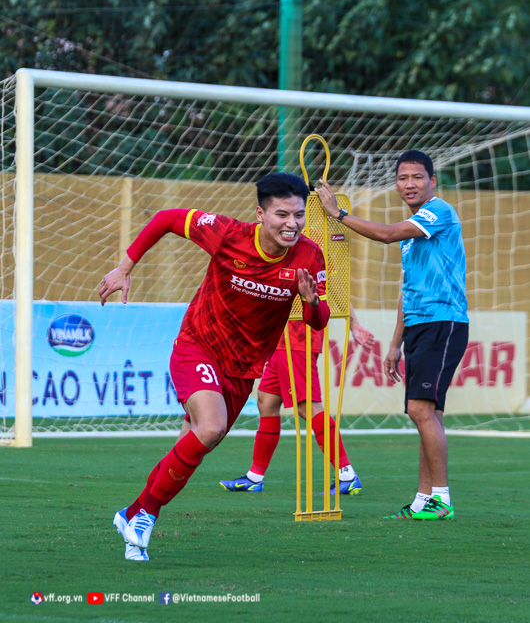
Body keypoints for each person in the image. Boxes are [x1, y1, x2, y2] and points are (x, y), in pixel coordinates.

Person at [99, 172, 330, 560]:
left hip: (244, 368)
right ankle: (147, 515)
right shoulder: (227, 234)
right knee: (211, 426)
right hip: (198, 345)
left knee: (195, 441)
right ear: (260, 214)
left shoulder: (309, 256)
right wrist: (125, 266)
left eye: (298, 215)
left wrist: (310, 301)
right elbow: (167, 218)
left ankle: (133, 511)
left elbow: (319, 321)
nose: (292, 223)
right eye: (281, 215)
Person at [316, 150, 468, 521]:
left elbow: (385, 234)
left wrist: (337, 212)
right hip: (418, 327)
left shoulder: (439, 212)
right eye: (402, 178)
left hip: (443, 322)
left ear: (432, 181)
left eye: (417, 176)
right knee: (427, 414)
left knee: (420, 410)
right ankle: (423, 499)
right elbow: (406, 291)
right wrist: (395, 345)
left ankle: (443, 500)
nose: (409, 184)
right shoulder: (413, 231)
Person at [219, 309, 374, 495]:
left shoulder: (314, 277)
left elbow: (336, 291)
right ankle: (254, 477)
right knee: (266, 401)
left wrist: (354, 325)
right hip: (281, 339)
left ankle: (346, 475)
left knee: (307, 406)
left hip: (298, 339)